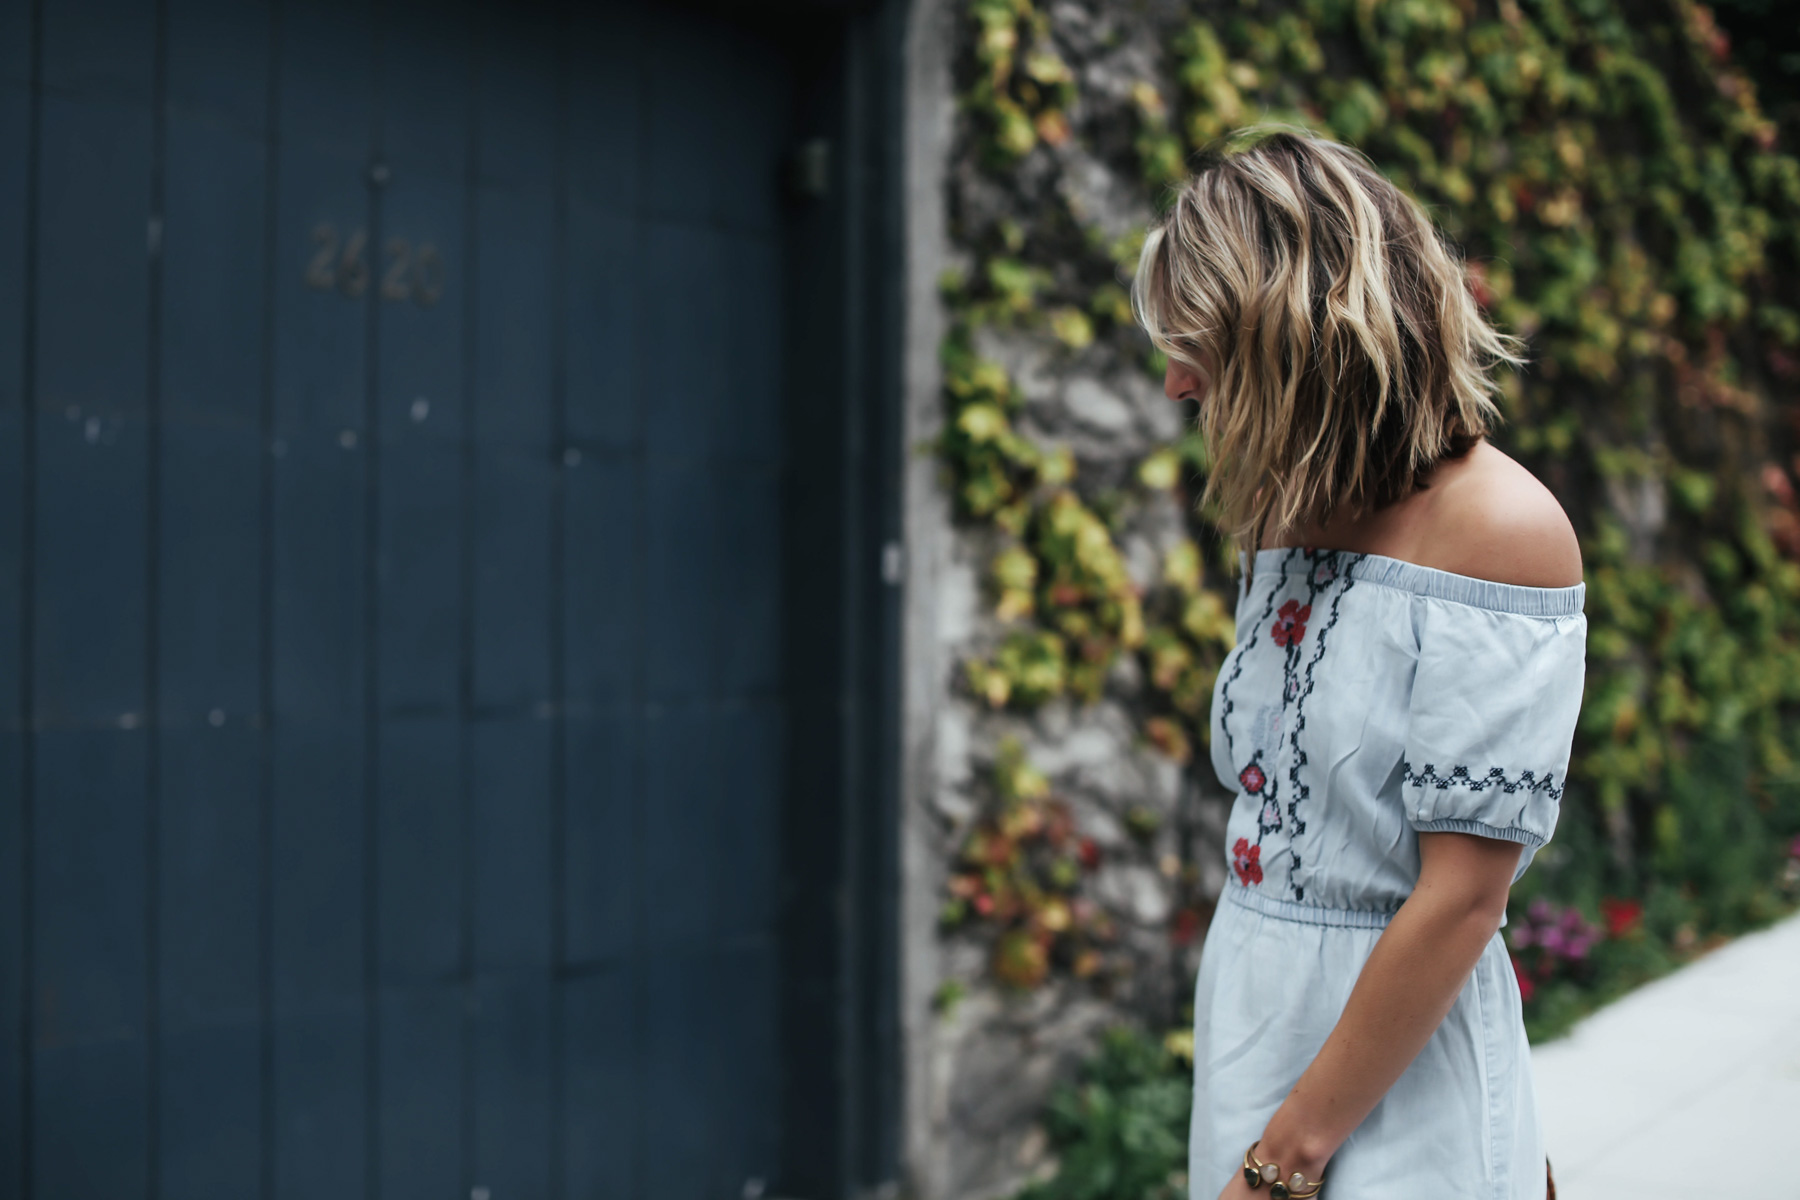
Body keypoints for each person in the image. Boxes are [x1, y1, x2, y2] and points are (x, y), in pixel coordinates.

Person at [1131, 127, 1587, 1200]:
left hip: (1390, 1087)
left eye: (1200, 344)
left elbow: (1463, 901)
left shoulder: (1503, 531)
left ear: (1293, 340)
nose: (1174, 383)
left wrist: (1284, 1162)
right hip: (1253, 1022)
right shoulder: (1285, 513)